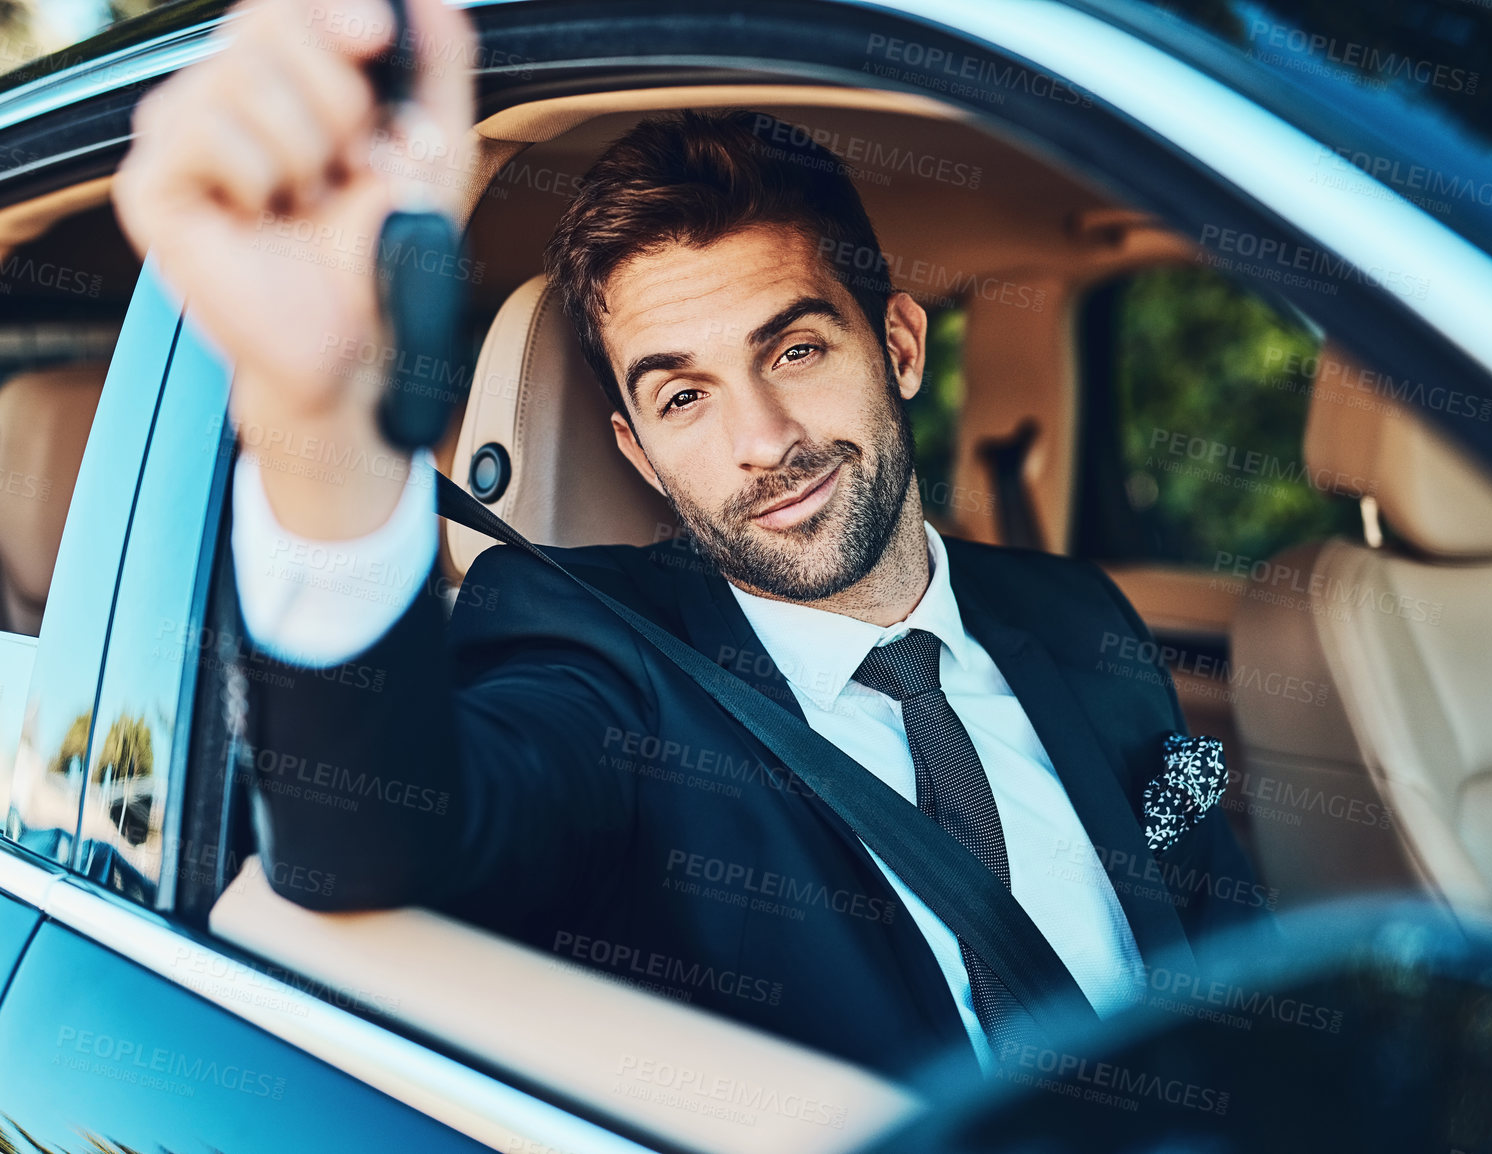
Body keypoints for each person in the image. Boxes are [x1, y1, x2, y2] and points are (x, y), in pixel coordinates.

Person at [115, 0, 1267, 1079]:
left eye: (796, 350)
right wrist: (323, 426)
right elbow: (378, 840)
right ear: (634, 449)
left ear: (901, 348)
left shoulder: (1078, 617)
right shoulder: (591, 655)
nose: (760, 440)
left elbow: (1233, 977)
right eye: (683, 398)